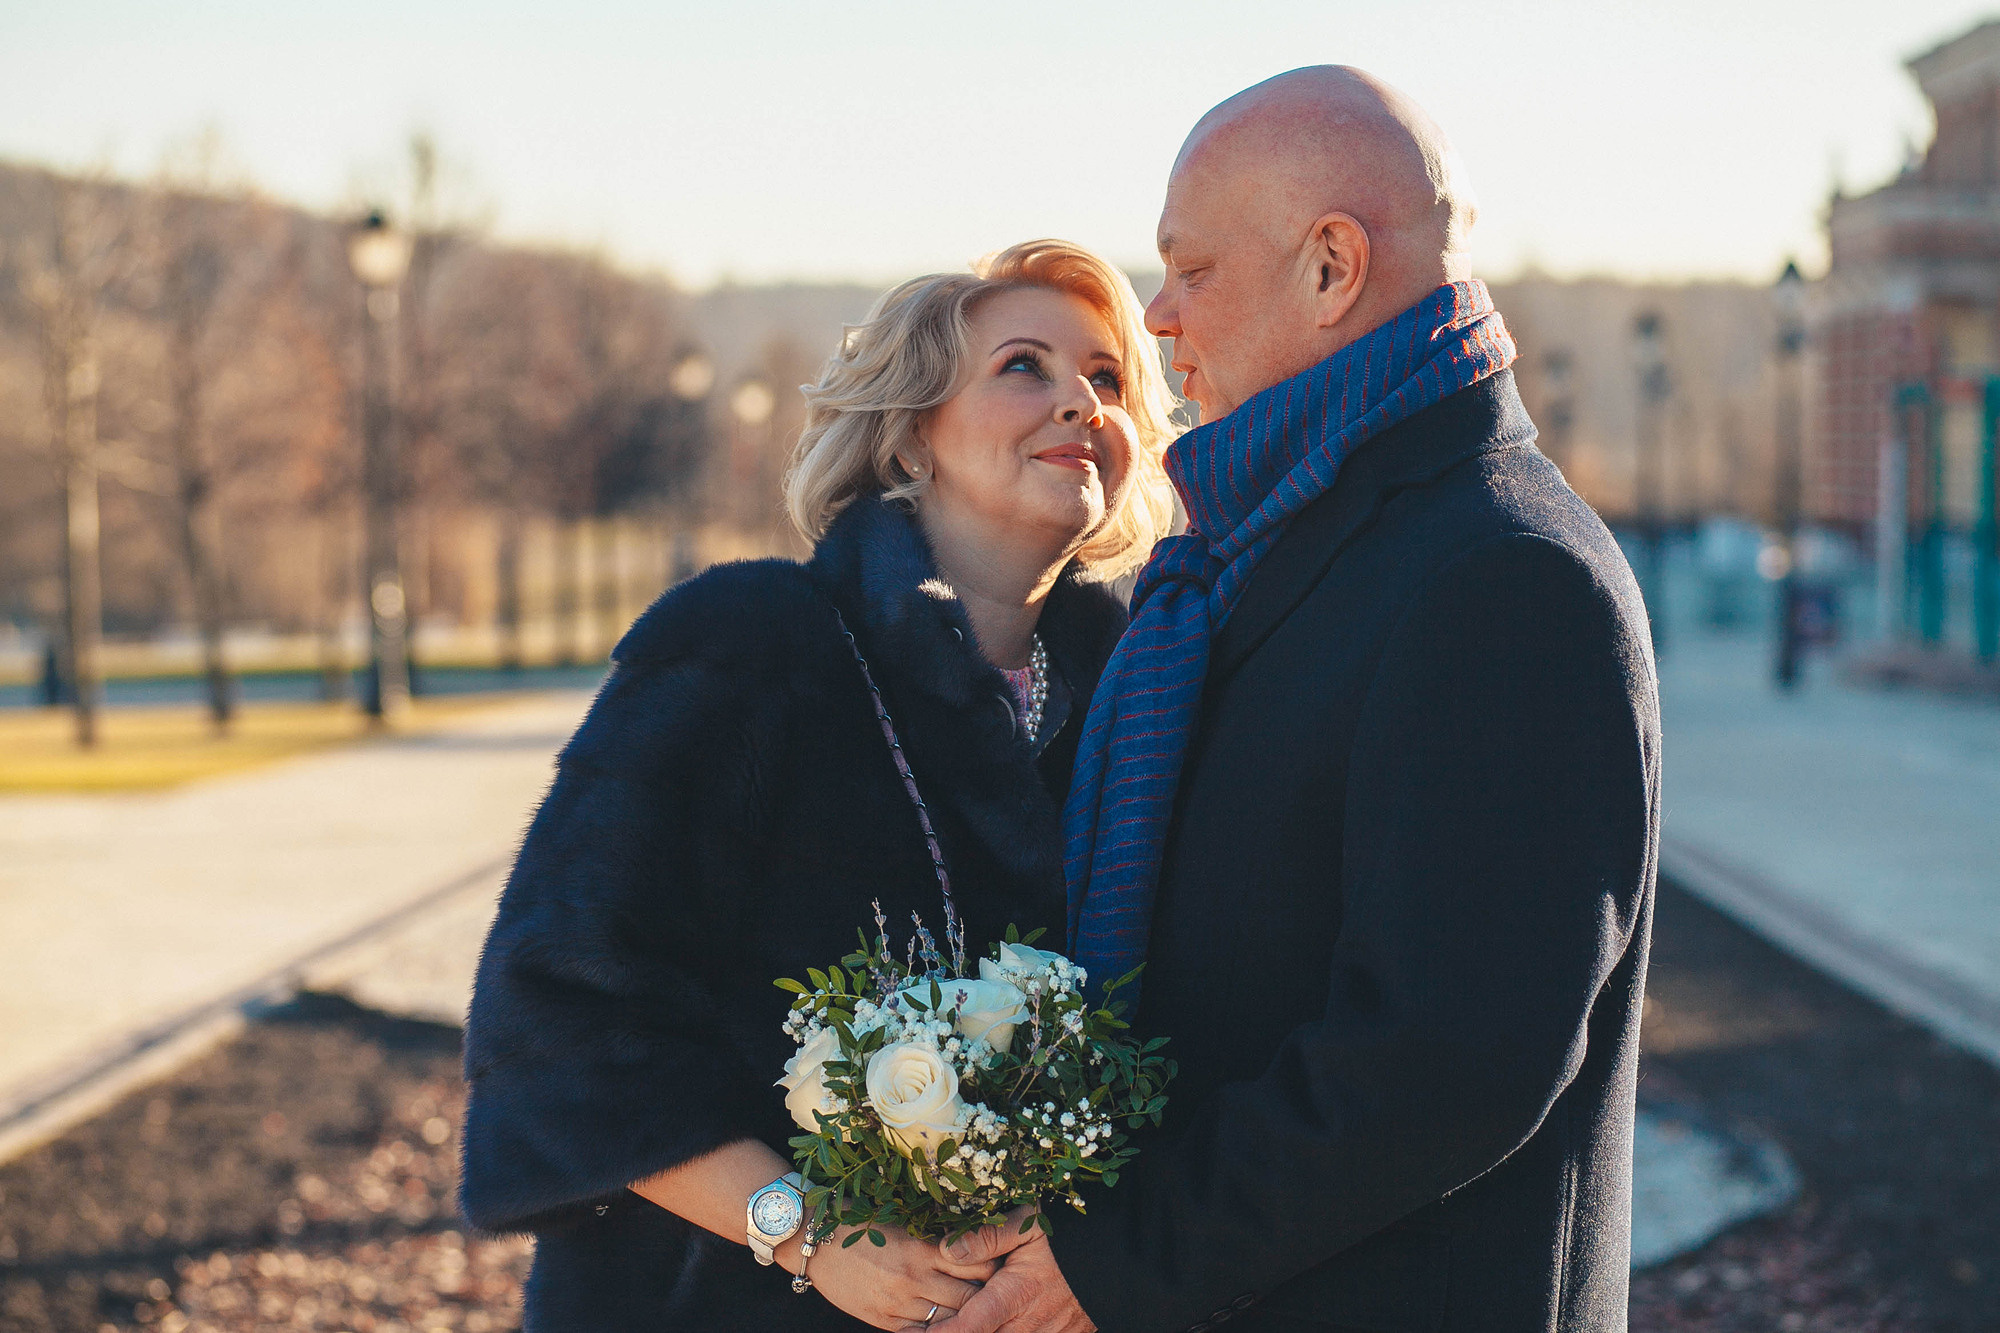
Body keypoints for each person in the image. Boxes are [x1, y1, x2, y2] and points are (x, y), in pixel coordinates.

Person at [938, 68, 1661, 1333]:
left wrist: (1113, 1260)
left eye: (1191, 269)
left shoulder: (1503, 576)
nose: (1157, 318)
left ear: (1330, 268)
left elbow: (1445, 1055)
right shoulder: (1250, 555)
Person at [457, 239, 1179, 1331]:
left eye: (1109, 378)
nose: (1079, 399)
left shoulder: (1145, 698)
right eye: (1023, 365)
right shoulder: (747, 645)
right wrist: (807, 1230)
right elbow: (557, 1012)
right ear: (910, 433)